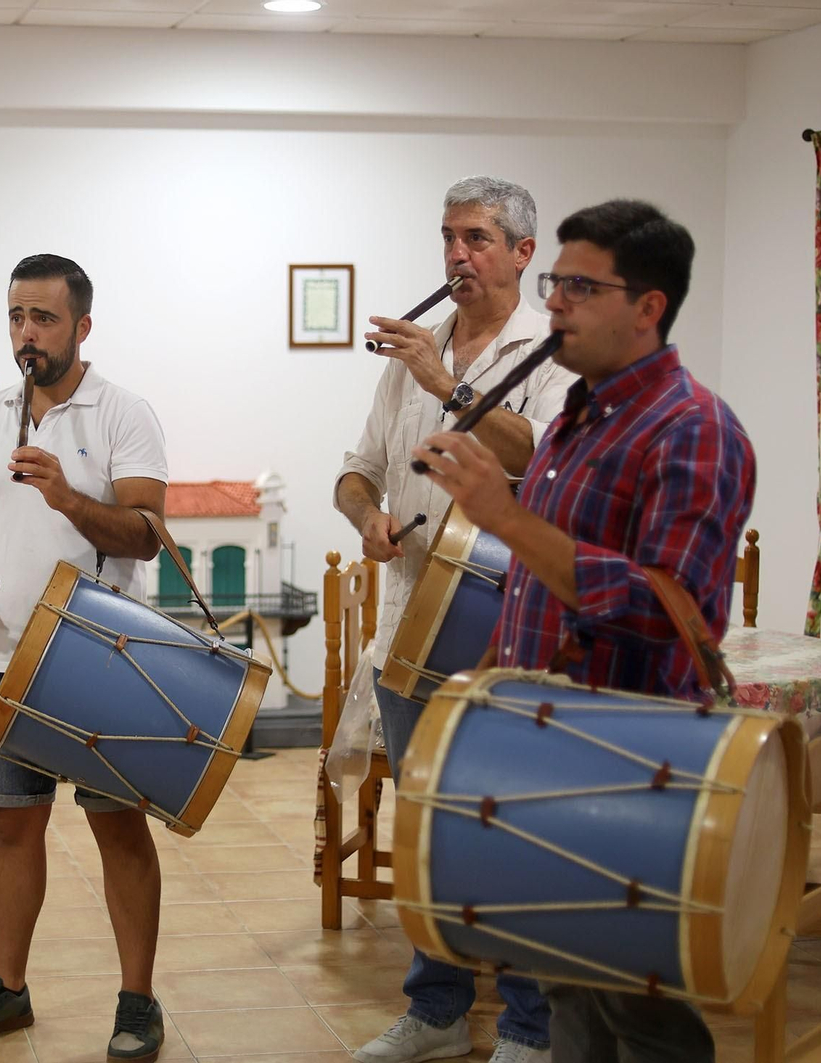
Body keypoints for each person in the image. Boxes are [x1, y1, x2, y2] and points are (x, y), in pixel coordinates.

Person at [416, 199, 752, 1063]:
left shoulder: (694, 430)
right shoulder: (580, 415)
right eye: (556, 280)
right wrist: (485, 691)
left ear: (648, 307)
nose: (553, 300)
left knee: (640, 1010)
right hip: (545, 746)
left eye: (578, 284)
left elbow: (665, 607)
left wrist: (503, 511)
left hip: (631, 762)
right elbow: (538, 583)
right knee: (567, 987)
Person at [336, 176, 574, 1063]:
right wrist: (365, 515)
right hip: (410, 620)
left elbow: (543, 460)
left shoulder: (551, 352)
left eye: (476, 237)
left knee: (512, 821)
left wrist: (450, 379)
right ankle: (434, 1010)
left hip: (510, 623)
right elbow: (356, 467)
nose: (456, 254)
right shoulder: (418, 349)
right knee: (427, 822)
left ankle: (527, 1025)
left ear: (521, 253)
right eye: (448, 236)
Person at [0, 253, 169, 1062]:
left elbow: (146, 532)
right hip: (6, 657)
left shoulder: (123, 414)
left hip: (103, 656)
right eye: (16, 318)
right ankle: (9, 988)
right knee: (11, 830)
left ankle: (137, 1001)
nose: (26, 334)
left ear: (82, 327)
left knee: (120, 832)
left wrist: (67, 495)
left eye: (44, 319)